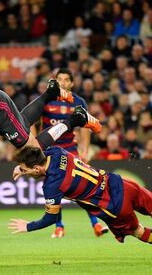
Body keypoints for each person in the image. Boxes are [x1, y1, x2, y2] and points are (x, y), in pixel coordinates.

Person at [9, 145, 152, 257]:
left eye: (28, 171)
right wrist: (23, 166)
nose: (26, 173)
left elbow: (51, 217)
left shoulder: (51, 185)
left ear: (37, 168)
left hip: (112, 206)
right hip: (119, 183)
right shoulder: (56, 152)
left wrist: (28, 226)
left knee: (137, 231)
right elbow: (40, 149)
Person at [36, 68, 108, 238]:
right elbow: (34, 122)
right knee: (55, 188)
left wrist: (84, 149)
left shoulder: (78, 101)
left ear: (72, 83)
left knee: (84, 187)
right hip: (49, 151)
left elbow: (86, 127)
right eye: (59, 79)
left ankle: (96, 224)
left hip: (69, 149)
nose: (62, 82)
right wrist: (34, 143)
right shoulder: (47, 99)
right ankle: (59, 226)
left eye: (66, 79)